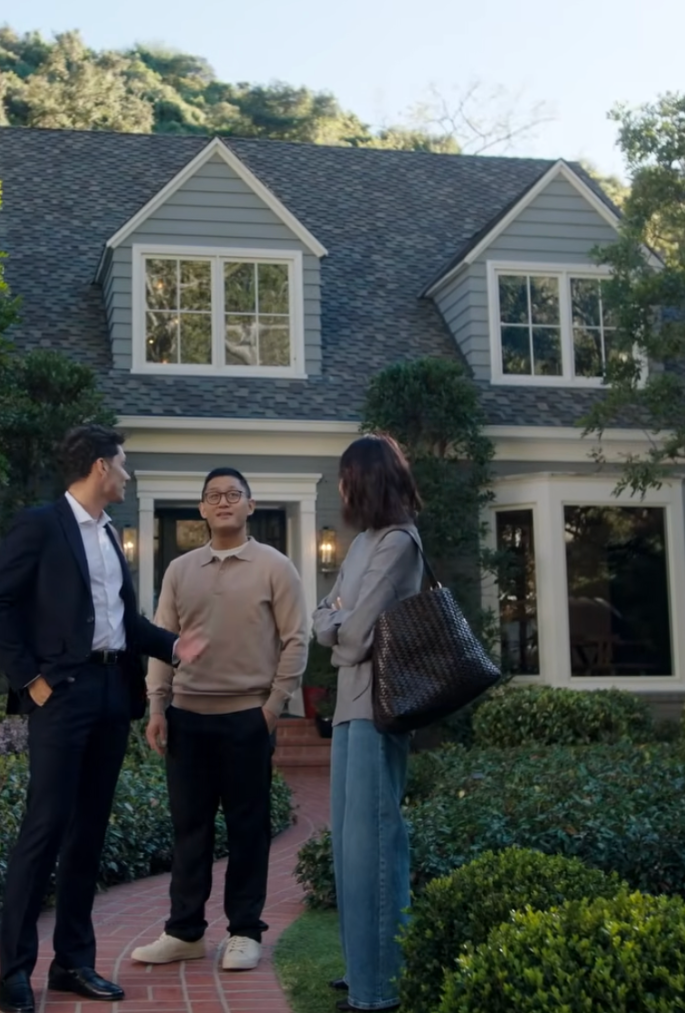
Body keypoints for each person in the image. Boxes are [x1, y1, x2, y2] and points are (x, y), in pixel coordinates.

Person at [0, 424, 206, 1013]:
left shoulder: (109, 533)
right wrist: (30, 680)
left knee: (88, 834)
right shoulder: (40, 525)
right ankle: (14, 974)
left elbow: (124, 624)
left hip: (111, 693)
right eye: (122, 464)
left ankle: (73, 962)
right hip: (62, 695)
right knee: (45, 829)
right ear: (101, 466)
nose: (127, 474)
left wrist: (175, 646)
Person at [131, 467, 307, 973]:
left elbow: (296, 639)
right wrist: (157, 706)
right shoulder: (180, 570)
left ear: (251, 506)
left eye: (234, 494)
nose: (224, 502)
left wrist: (273, 706)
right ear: (202, 509)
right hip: (187, 719)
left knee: (248, 829)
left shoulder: (275, 566)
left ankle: (244, 932)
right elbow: (163, 639)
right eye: (214, 496)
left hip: (247, 719)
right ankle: (184, 932)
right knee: (190, 829)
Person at [313, 434, 425, 1013]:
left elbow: (352, 634)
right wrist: (336, 623)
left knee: (375, 844)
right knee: (348, 845)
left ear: (364, 479)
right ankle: (363, 967)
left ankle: (378, 990)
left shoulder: (400, 542)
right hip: (348, 706)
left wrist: (337, 624)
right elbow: (323, 615)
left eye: (345, 476)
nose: (340, 487)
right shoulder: (360, 544)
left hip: (380, 708)